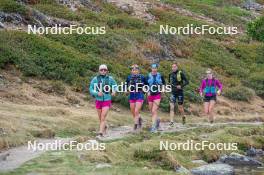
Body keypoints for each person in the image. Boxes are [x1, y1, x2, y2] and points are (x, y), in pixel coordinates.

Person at [89, 64, 117, 137]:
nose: (103, 71)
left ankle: (100, 132)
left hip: (107, 100)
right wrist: (97, 93)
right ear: (99, 71)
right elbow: (91, 88)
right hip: (98, 100)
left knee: (103, 117)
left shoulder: (110, 78)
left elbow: (115, 85)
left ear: (107, 71)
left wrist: (114, 91)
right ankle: (104, 127)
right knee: (100, 117)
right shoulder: (95, 79)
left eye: (105, 70)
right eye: (101, 70)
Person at [125, 64, 147, 131]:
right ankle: (139, 119)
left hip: (139, 95)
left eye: (136, 70)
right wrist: (126, 90)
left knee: (136, 110)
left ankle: (135, 126)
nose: (134, 71)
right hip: (132, 95)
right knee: (133, 111)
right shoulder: (129, 77)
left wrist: (145, 89)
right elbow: (125, 85)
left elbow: (147, 85)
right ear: (131, 71)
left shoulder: (142, 77)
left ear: (138, 71)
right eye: (133, 70)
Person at [146, 63, 166, 133]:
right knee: (151, 111)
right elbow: (146, 85)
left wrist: (163, 90)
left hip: (157, 94)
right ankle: (157, 121)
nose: (154, 69)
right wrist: (147, 91)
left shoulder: (160, 76)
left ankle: (153, 127)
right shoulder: (148, 76)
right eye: (153, 68)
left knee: (154, 110)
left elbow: (164, 83)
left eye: (155, 68)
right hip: (150, 95)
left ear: (157, 69)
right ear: (151, 69)